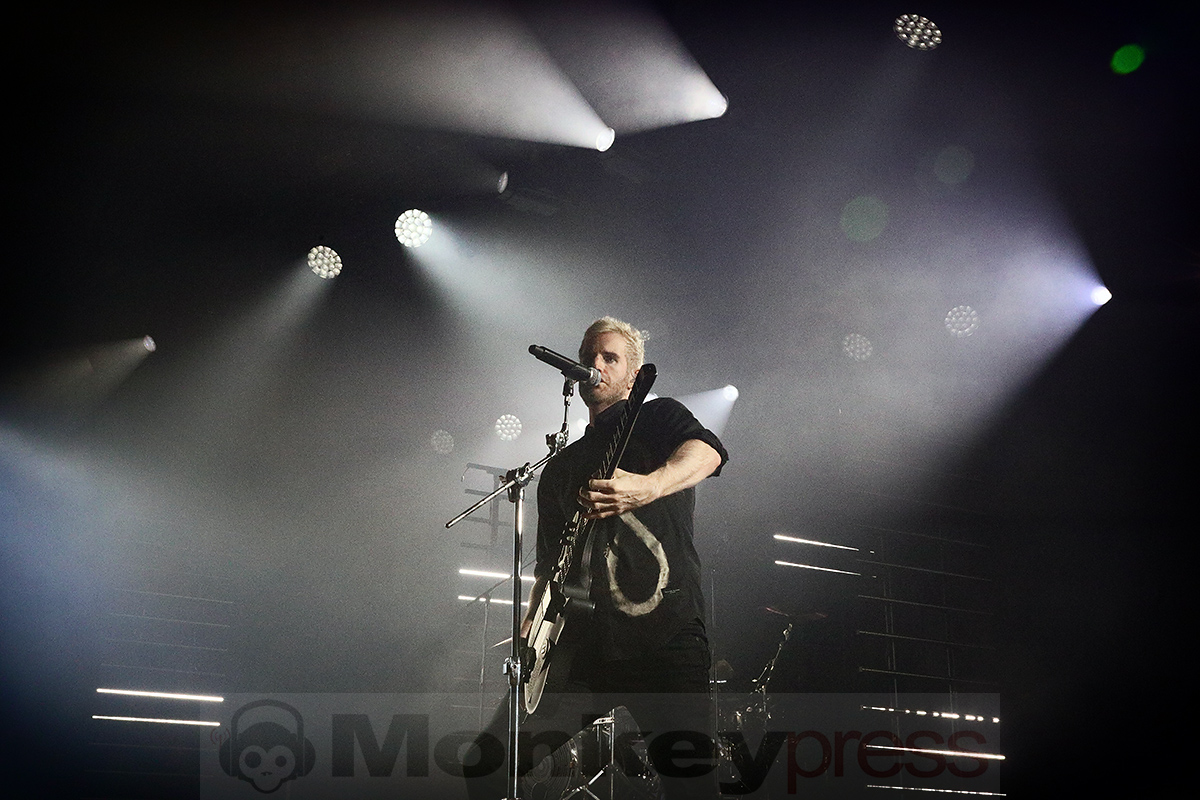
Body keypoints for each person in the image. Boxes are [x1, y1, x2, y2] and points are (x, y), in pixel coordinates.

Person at [520, 316, 729, 799]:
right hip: (585, 648)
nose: (595, 364)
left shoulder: (657, 419)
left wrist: (649, 486)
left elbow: (709, 453)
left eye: (609, 357)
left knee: (692, 788)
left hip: (665, 637)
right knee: (489, 762)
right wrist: (532, 629)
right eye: (588, 357)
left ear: (633, 375)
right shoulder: (559, 468)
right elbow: (550, 565)